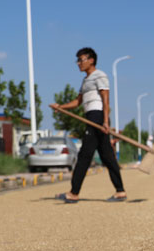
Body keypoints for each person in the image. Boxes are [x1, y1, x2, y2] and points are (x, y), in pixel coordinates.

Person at [49, 47, 127, 203]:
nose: (78, 63)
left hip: (97, 117)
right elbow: (78, 102)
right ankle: (120, 191)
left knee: (84, 155)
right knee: (107, 156)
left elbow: (106, 99)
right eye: (77, 60)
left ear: (91, 60)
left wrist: (105, 121)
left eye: (81, 59)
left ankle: (74, 192)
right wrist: (61, 107)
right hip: (91, 116)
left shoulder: (100, 75)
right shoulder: (86, 80)